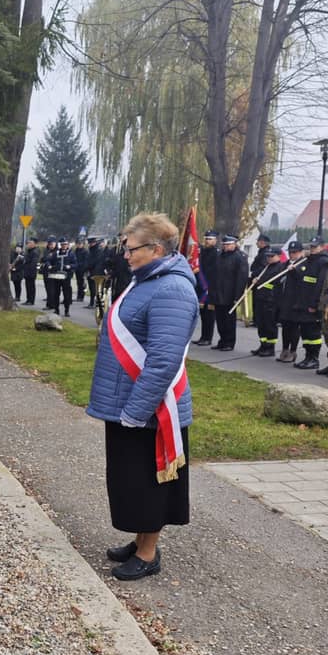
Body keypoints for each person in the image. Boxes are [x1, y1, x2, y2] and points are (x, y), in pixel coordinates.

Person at [86, 212, 198, 582]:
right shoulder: (148, 280)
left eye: (132, 248)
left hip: (151, 410)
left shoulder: (172, 289)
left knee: (149, 483)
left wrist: (136, 411)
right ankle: (139, 541)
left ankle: (149, 553)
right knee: (131, 480)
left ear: (156, 249)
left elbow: (164, 360)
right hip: (129, 403)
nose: (126, 254)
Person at [292, 236, 328, 369]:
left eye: (315, 247)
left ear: (322, 247)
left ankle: (314, 359)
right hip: (303, 302)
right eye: (311, 246)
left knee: (313, 333)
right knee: (305, 332)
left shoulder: (323, 262)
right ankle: (308, 357)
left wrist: (315, 304)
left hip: (313, 304)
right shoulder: (309, 260)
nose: (312, 249)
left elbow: (320, 285)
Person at [211, 234, 248, 351]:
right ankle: (222, 340)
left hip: (230, 294)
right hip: (219, 293)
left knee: (229, 321)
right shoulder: (220, 256)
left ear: (234, 244)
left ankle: (229, 342)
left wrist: (238, 296)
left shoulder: (239, 257)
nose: (225, 246)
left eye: (228, 244)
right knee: (220, 320)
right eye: (224, 244)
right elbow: (215, 275)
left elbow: (241, 278)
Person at [250, 245, 287, 356]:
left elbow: (277, 284)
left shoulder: (281, 268)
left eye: (272, 256)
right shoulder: (266, 267)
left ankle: (270, 348)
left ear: (278, 256)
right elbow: (256, 274)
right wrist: (255, 279)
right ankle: (263, 345)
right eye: (268, 256)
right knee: (261, 324)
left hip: (271, 301)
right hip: (261, 299)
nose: (269, 258)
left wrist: (261, 282)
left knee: (269, 325)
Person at [277, 241, 306, 362]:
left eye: (295, 252)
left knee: (294, 327)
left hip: (296, 301)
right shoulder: (285, 264)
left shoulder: (304, 264)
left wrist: (294, 270)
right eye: (290, 252)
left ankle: (293, 351)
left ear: (301, 252)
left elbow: (303, 279)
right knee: (285, 327)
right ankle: (285, 349)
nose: (292, 254)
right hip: (285, 301)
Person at [193, 230, 219, 346]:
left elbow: (216, 273)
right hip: (201, 287)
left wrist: (211, 287)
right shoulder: (202, 252)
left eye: (210, 239)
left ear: (215, 240)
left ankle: (208, 338)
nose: (207, 241)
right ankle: (203, 336)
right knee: (203, 314)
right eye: (206, 239)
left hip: (210, 288)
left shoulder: (217, 254)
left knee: (209, 315)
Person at [52, 237, 77, 316]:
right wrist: (51, 266)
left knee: (66, 294)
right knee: (56, 293)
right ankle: (56, 310)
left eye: (65, 244)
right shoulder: (56, 253)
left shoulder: (71, 254)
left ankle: (67, 310)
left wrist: (70, 266)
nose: (64, 246)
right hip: (57, 276)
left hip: (66, 276)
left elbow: (75, 264)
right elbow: (50, 261)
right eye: (63, 244)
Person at [85, 236, 105, 308]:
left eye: (91, 243)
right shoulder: (91, 250)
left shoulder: (98, 250)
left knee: (96, 289)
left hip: (96, 272)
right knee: (91, 288)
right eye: (89, 243)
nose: (90, 244)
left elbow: (94, 261)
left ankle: (96, 303)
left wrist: (88, 266)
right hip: (91, 271)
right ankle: (92, 302)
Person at [40, 236, 58, 309]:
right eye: (50, 244)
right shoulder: (46, 251)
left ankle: (51, 305)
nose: (51, 245)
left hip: (53, 272)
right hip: (46, 272)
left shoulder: (57, 252)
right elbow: (43, 259)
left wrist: (47, 260)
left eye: (52, 244)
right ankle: (49, 303)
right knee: (48, 289)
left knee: (52, 289)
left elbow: (55, 261)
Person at [22, 237, 39, 305]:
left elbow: (33, 263)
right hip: (27, 272)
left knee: (31, 287)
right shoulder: (28, 251)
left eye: (30, 243)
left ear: (34, 244)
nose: (28, 244)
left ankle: (31, 300)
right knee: (28, 287)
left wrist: (29, 271)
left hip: (31, 272)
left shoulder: (35, 252)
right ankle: (28, 299)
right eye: (28, 243)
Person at [73, 238, 88, 303]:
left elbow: (85, 261)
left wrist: (80, 265)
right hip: (77, 269)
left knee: (82, 284)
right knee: (78, 283)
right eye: (77, 244)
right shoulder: (76, 251)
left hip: (82, 269)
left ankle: (81, 296)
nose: (79, 245)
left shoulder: (85, 251)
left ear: (82, 244)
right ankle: (78, 296)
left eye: (80, 244)